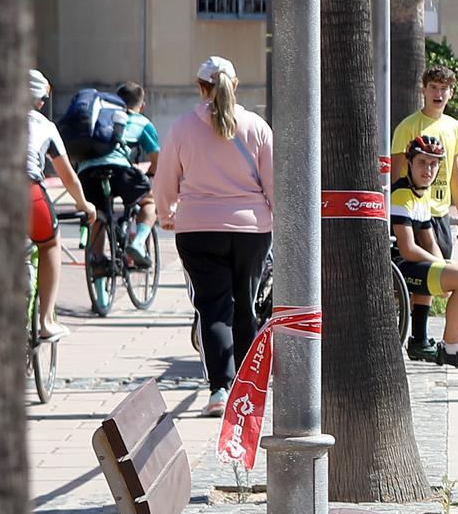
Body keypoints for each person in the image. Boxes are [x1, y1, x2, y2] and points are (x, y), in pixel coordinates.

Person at [155, 56, 275, 417]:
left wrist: (165, 215)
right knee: (246, 305)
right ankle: (247, 388)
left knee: (212, 308)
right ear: (234, 85)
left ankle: (220, 389)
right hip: (251, 228)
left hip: (198, 227)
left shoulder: (180, 129)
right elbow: (273, 184)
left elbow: (165, 181)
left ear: (199, 87)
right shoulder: (257, 127)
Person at [391, 130, 458, 373]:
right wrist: (443, 267)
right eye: (422, 163)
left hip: (412, 262)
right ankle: (451, 348)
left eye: (433, 164)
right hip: (397, 266)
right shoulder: (401, 194)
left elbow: (429, 241)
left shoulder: (421, 194)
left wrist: (443, 264)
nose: (428, 170)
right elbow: (408, 248)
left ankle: (421, 341)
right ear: (410, 163)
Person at [392, 65, 458, 360]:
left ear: (451, 93)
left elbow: (455, 172)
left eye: (444, 89)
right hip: (412, 208)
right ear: (423, 91)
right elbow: (397, 169)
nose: (438, 94)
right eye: (433, 88)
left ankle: (425, 338)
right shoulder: (409, 126)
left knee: (437, 274)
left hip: (438, 211)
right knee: (425, 274)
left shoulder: (453, 127)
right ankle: (422, 337)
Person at [27, 69, 94, 342]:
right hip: (29, 191)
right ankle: (46, 319)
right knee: (50, 244)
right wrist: (85, 205)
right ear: (39, 99)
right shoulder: (45, 126)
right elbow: (67, 176)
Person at [76, 81, 160, 270]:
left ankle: (97, 261)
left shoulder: (100, 116)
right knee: (149, 202)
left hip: (87, 172)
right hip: (119, 169)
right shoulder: (142, 122)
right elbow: (157, 159)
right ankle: (138, 243)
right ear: (142, 105)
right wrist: (151, 171)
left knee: (97, 214)